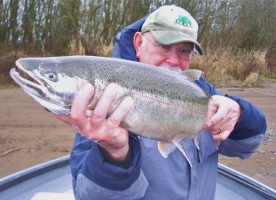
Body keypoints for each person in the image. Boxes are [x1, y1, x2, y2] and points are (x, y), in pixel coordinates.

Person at [56, 5, 266, 200]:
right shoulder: (103, 102)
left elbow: (248, 145)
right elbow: (89, 195)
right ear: (139, 43)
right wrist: (114, 155)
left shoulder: (203, 93)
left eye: (184, 51)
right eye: (164, 46)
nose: (174, 60)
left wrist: (240, 114)